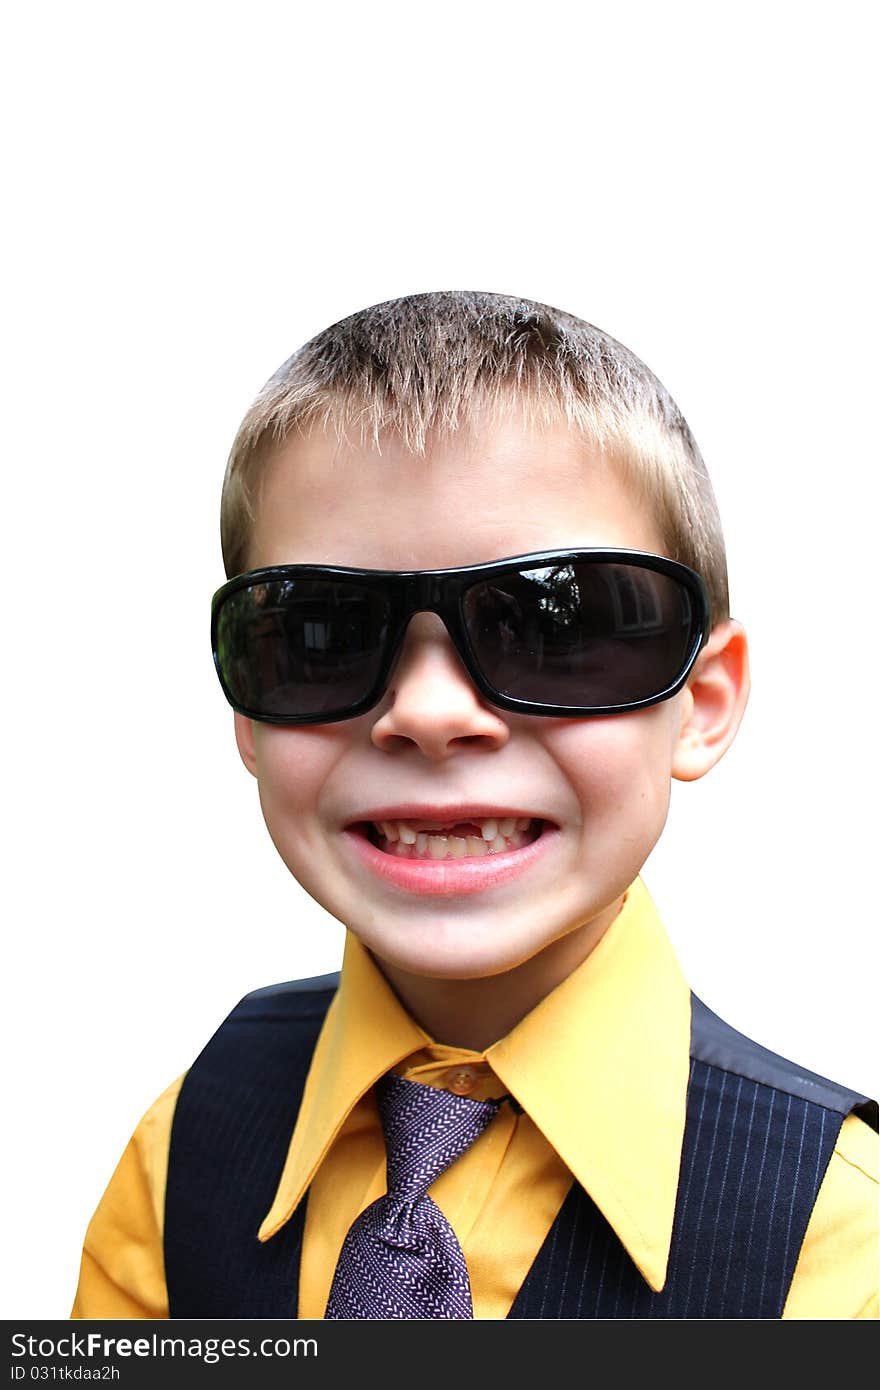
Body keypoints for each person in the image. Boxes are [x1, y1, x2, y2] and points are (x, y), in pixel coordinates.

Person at [71, 291, 878, 1320]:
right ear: (247, 706)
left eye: (556, 622)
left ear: (700, 704)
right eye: (320, 631)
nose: (431, 712)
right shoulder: (182, 1155)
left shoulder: (845, 1247)